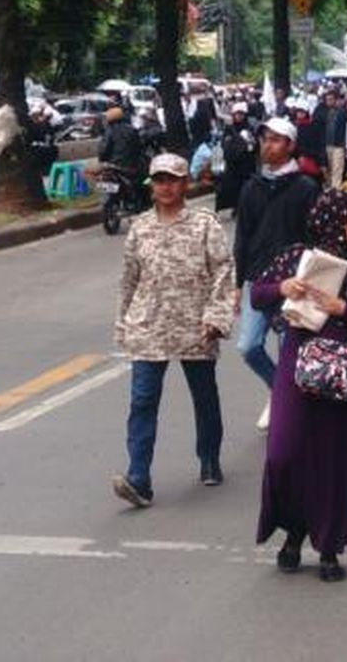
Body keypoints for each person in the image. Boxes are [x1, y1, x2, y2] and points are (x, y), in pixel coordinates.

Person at [252, 190, 347, 582]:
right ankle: (293, 531)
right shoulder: (298, 258)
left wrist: (345, 310)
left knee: (337, 460)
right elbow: (257, 294)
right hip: (298, 367)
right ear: (329, 219)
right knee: (285, 452)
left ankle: (329, 546)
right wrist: (285, 288)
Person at [112, 153, 236, 507]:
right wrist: (123, 323)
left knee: (204, 397)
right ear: (152, 186)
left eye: (173, 179)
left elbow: (223, 272)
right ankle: (139, 478)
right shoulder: (140, 227)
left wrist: (216, 317)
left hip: (195, 327)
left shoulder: (204, 225)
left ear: (185, 184)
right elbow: (129, 279)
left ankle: (209, 456)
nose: (166, 186)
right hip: (149, 327)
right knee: (142, 400)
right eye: (160, 180)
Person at [234, 117, 321, 431]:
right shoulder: (252, 187)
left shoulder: (306, 188)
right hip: (258, 280)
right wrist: (237, 282)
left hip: (294, 283)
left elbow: (316, 238)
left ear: (290, 145)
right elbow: (242, 236)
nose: (266, 145)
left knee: (289, 350)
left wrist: (309, 279)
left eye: (274, 139)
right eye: (264, 139)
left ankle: (287, 403)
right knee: (248, 346)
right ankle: (279, 390)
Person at [216, 102, 258, 215]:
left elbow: (254, 144)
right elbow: (224, 143)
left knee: (246, 187)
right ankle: (236, 206)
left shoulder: (249, 128)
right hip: (233, 164)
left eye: (241, 114)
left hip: (246, 164)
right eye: (237, 114)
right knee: (233, 187)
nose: (239, 116)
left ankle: (244, 208)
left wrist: (250, 143)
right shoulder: (229, 129)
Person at [312, 90, 347, 187]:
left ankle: (335, 191)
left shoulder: (342, 112)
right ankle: (330, 189)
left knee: (337, 169)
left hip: (338, 145)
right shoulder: (322, 112)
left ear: (336, 100)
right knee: (328, 170)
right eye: (327, 99)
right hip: (326, 145)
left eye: (331, 99)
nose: (329, 102)